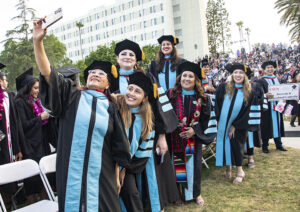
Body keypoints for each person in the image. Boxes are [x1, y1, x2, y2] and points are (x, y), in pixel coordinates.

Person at [33, 19, 131, 212]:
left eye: (101, 74)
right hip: (72, 174)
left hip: (102, 176)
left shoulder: (111, 108)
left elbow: (118, 147)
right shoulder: (71, 96)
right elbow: (48, 75)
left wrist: (117, 174)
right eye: (92, 72)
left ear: (108, 83)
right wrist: (38, 42)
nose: (95, 74)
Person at [167, 61, 217, 205]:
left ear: (196, 80)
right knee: (176, 164)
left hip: (193, 138)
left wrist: (194, 130)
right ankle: (177, 195)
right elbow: (163, 115)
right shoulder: (171, 94)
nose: (187, 79)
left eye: (191, 76)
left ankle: (196, 194)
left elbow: (207, 120)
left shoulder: (203, 98)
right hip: (175, 137)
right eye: (184, 76)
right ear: (179, 78)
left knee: (194, 166)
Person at [114, 72, 156, 212]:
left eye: (137, 91)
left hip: (127, 166)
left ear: (145, 98)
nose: (131, 93)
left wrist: (124, 169)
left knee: (132, 194)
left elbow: (142, 152)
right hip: (108, 164)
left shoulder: (147, 121)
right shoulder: (115, 109)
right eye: (130, 88)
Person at [15, 68, 57, 202]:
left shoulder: (38, 101)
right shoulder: (20, 103)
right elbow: (23, 126)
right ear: (27, 88)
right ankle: (33, 203)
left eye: (38, 88)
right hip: (30, 145)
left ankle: (47, 200)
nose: (37, 91)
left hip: (42, 142)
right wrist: (40, 118)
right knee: (32, 180)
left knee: (45, 176)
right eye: (35, 88)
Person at [215, 63, 260, 184]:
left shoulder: (250, 92)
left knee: (236, 145)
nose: (238, 75)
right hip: (223, 124)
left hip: (239, 126)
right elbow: (217, 104)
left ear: (245, 75)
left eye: (241, 73)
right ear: (232, 74)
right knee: (225, 143)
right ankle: (228, 168)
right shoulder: (223, 87)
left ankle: (240, 171)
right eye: (235, 72)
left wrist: (235, 125)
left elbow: (248, 112)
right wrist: (218, 120)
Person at [0, 64, 30, 209]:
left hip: (8, 146)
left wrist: (18, 147)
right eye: (5, 79)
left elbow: (15, 124)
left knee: (10, 179)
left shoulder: (8, 96)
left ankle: (10, 204)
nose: (6, 82)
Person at [256, 61, 287, 153]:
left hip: (278, 106)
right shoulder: (260, 81)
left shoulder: (279, 79)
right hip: (267, 108)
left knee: (278, 124)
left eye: (271, 67)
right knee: (266, 126)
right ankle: (265, 146)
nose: (270, 69)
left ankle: (279, 144)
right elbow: (257, 94)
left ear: (274, 68)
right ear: (264, 70)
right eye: (268, 68)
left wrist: (285, 97)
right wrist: (265, 95)